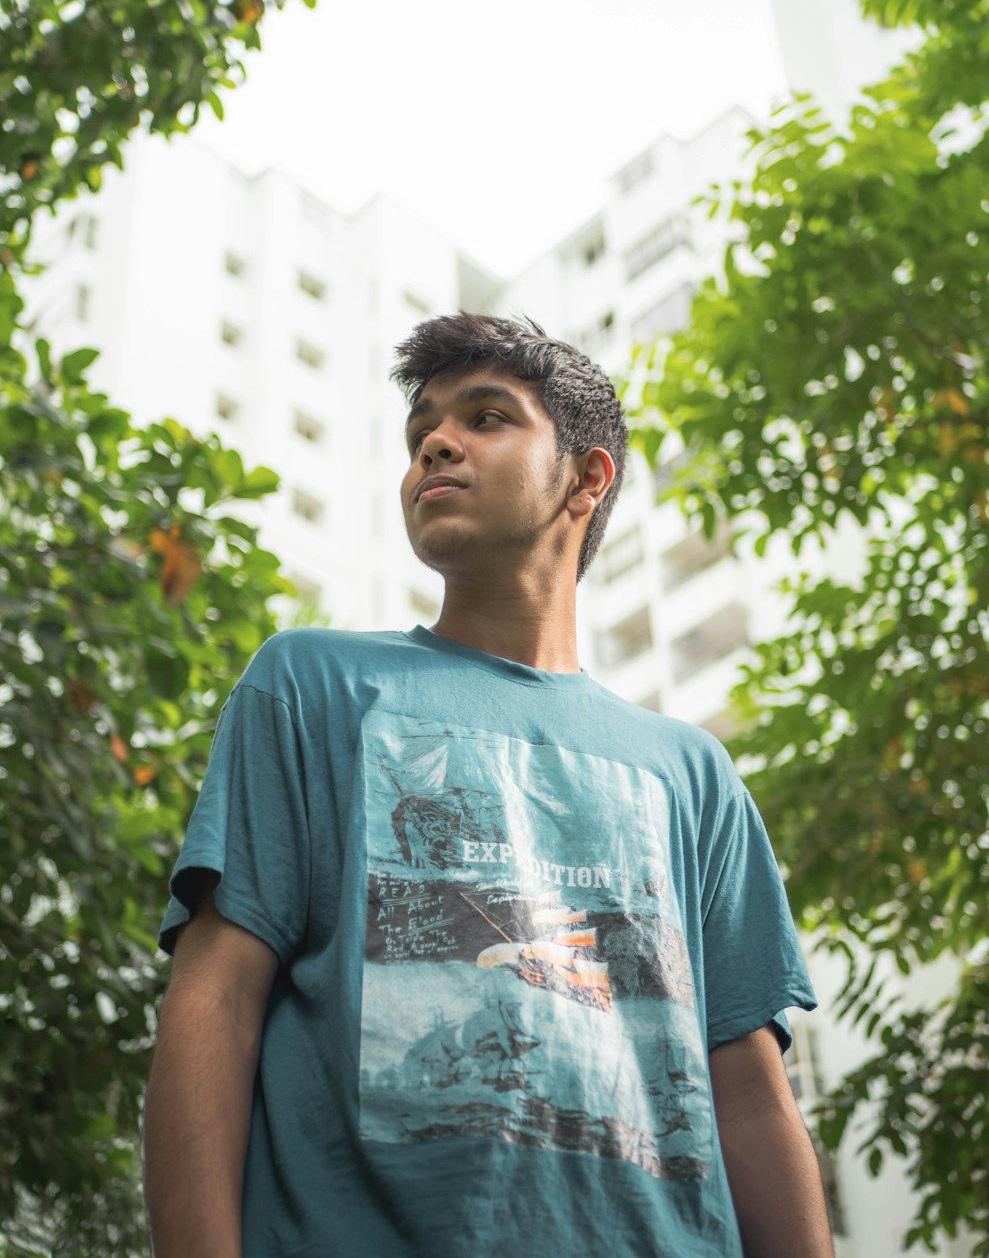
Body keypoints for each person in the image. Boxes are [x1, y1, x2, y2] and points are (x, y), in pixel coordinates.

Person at [143, 313, 833, 1257]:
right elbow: (215, 1001)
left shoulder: (691, 772)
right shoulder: (313, 684)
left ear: (587, 478)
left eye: (488, 416)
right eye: (423, 423)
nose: (435, 439)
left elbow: (748, 1095)